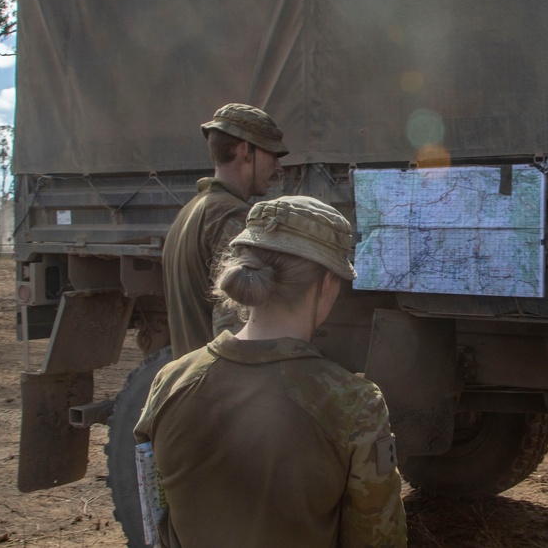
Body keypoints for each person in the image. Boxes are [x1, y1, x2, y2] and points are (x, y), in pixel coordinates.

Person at [135, 195, 407, 547]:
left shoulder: (170, 381)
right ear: (326, 284)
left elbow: (154, 518)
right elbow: (378, 540)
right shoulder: (355, 406)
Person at [163, 103, 289, 358]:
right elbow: (237, 324)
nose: (278, 167)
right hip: (221, 387)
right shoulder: (233, 215)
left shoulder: (190, 211)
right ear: (246, 150)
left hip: (194, 379)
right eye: (272, 154)